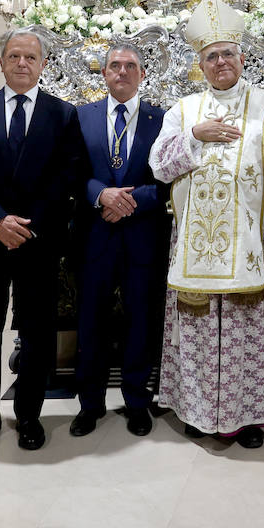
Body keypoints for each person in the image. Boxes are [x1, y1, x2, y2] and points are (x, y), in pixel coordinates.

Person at [149, 0, 264, 448]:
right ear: (200, 65)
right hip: (195, 244)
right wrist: (194, 136)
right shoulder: (182, 111)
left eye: (228, 54)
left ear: (242, 58)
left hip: (254, 240)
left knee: (247, 334)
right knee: (198, 330)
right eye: (212, 56)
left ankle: (248, 417)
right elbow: (159, 166)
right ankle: (199, 413)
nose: (221, 62)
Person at [0, 27, 83, 453]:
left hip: (37, 241)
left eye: (30, 57)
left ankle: (29, 415)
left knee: (38, 333)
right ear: (1, 62)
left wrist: (28, 224)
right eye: (14, 56)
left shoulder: (63, 114)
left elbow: (68, 175)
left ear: (43, 64)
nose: (22, 63)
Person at [70, 44, 170, 438]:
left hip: (142, 236)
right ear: (104, 73)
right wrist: (101, 195)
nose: (123, 72)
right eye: (115, 65)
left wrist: (129, 201)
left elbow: (168, 178)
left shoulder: (162, 119)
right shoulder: (81, 116)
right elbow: (70, 171)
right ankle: (90, 404)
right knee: (90, 321)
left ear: (142, 74)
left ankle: (137, 401)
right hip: (94, 235)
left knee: (140, 321)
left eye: (131, 66)